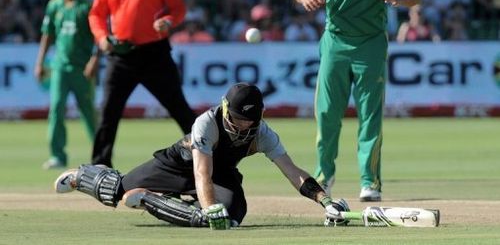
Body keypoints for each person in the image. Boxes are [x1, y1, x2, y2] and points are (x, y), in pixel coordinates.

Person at [53, 83, 350, 229]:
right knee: (116, 190)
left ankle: (148, 200)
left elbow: (291, 170)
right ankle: (84, 177)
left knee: (229, 220)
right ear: (225, 110)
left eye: (250, 121)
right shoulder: (207, 123)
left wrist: (324, 200)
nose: (243, 126)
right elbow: (200, 174)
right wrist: (209, 207)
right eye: (238, 119)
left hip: (222, 172)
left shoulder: (264, 134)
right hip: (181, 162)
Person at [292, 0, 422, 202]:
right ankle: (324, 175)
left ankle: (370, 182)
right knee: (326, 114)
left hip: (371, 44)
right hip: (335, 42)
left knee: (370, 115)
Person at [89, 0, 196, 167]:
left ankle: (209, 156)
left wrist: (168, 21)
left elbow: (178, 9)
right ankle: (99, 167)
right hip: (121, 55)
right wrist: (101, 37)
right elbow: (96, 15)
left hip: (154, 53)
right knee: (108, 113)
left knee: (179, 108)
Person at [34, 0, 98, 169]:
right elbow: (47, 34)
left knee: (88, 111)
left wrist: (94, 60)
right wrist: (40, 62)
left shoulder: (86, 6)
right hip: (60, 67)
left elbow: (98, 36)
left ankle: (100, 154)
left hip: (82, 68)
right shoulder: (54, 5)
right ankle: (57, 156)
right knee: (56, 108)